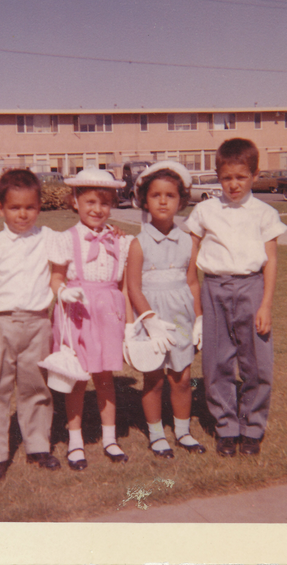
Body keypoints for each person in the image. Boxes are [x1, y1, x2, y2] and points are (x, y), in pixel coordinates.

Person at [183, 138, 287, 457]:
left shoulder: (264, 213)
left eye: (241, 177)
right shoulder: (205, 210)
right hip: (215, 287)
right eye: (227, 177)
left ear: (255, 175)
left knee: (257, 363)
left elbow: (270, 260)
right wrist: (197, 306)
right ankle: (227, 427)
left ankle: (253, 428)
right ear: (218, 175)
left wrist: (266, 304)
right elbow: (191, 258)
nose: (234, 184)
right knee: (217, 363)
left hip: (251, 288)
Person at [0, 169, 60, 482]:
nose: (23, 214)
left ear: (39, 207)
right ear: (0, 208)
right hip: (1, 324)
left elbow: (78, 241)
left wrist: (114, 232)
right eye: (14, 207)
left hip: (37, 323)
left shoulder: (47, 237)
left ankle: (38, 445)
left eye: (30, 207)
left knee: (36, 386)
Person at [49, 169, 133, 471]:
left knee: (105, 378)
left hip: (108, 313)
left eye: (104, 203)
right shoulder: (66, 239)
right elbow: (55, 279)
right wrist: (63, 293)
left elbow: (123, 284)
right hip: (78, 314)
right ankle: (75, 440)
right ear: (75, 202)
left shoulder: (121, 241)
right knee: (77, 379)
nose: (97, 209)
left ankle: (110, 438)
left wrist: (128, 321)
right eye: (89, 202)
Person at [126, 161, 206, 458]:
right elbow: (133, 287)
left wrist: (198, 319)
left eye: (170, 195)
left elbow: (192, 283)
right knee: (154, 378)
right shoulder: (138, 243)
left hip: (182, 319)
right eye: (156, 195)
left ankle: (183, 432)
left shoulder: (187, 241)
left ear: (181, 201)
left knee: (182, 378)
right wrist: (149, 320)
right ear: (144, 201)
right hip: (153, 321)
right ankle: (157, 434)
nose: (162, 201)